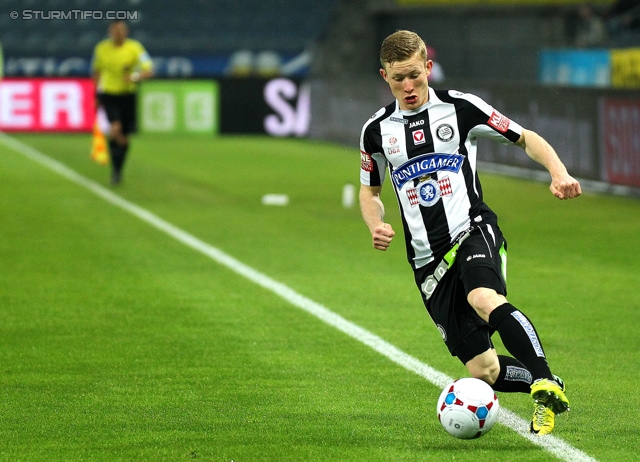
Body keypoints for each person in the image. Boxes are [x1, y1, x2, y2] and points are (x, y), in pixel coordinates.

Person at [359, 30, 581, 435]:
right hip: (427, 262)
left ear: (428, 67)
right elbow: (369, 189)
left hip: (471, 230)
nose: (408, 87)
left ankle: (544, 377)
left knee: (483, 297)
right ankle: (546, 385)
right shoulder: (376, 130)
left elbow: (525, 137)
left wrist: (558, 171)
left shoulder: (461, 108)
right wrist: (377, 223)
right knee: (485, 369)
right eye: (397, 78)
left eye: (414, 75)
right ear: (384, 76)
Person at [91, 20, 153, 185]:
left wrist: (134, 77)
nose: (117, 33)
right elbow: (97, 72)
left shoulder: (135, 48)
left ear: (126, 32)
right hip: (109, 94)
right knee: (115, 128)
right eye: (114, 30)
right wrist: (96, 96)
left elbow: (148, 70)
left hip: (128, 96)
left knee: (124, 138)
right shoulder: (102, 49)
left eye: (120, 30)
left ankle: (117, 171)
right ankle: (116, 171)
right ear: (110, 32)